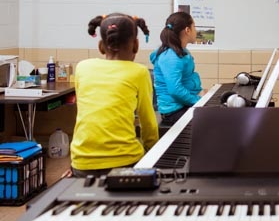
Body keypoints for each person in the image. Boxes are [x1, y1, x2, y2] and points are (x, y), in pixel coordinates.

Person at [70, 13, 159, 178]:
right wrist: (153, 154)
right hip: (125, 161)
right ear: (136, 45)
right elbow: (148, 123)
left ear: (101, 46)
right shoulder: (139, 72)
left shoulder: (82, 67)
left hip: (81, 162)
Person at [150, 11, 204, 126]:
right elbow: (175, 90)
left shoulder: (181, 52)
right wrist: (199, 101)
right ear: (187, 30)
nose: (196, 31)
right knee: (213, 121)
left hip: (181, 105)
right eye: (194, 27)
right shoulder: (171, 57)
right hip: (173, 112)